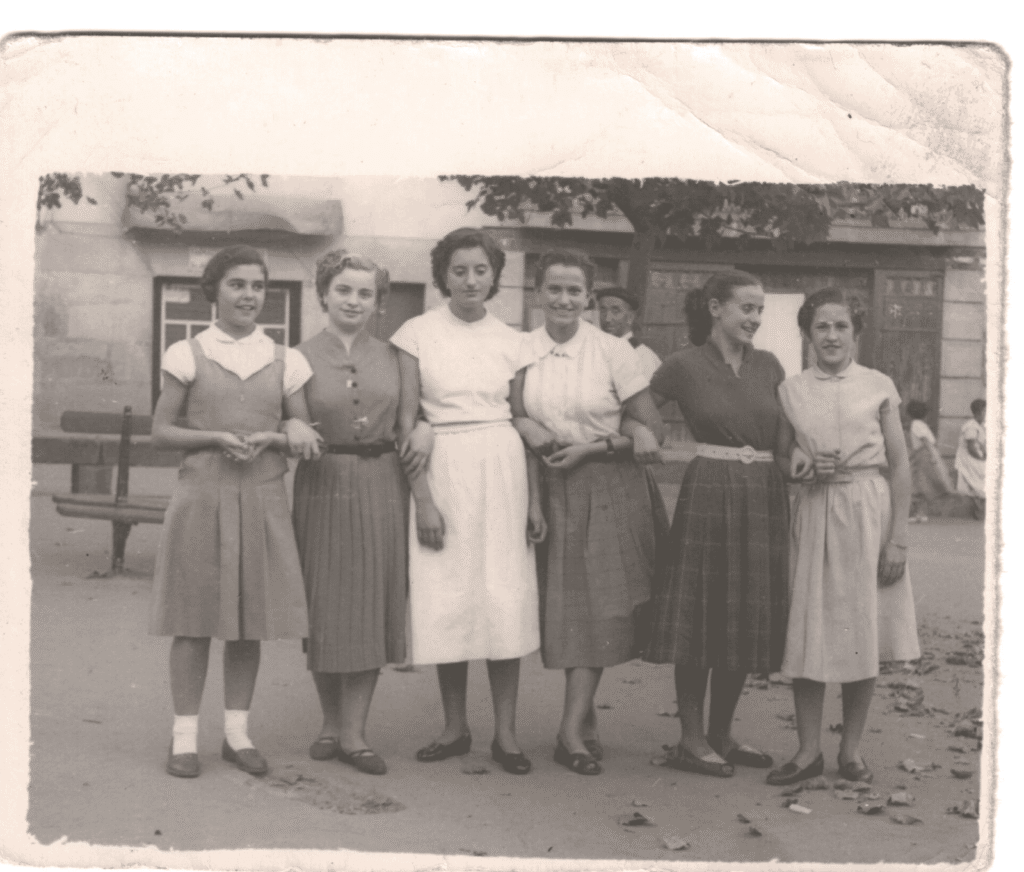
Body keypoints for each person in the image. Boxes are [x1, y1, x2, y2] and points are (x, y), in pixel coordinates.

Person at [150, 245, 321, 778]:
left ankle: (236, 734)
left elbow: (304, 433)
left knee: (248, 625)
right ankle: (183, 738)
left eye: (257, 286)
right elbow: (160, 432)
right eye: (237, 284)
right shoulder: (188, 354)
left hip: (263, 501)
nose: (249, 295)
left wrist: (282, 433)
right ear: (215, 291)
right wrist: (213, 437)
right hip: (201, 499)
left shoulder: (286, 359)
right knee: (193, 621)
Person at [390, 227, 544, 775]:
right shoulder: (415, 334)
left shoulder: (515, 340)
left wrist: (534, 502)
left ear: (495, 276)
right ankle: (455, 727)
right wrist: (423, 500)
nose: (470, 281)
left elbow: (523, 421)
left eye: (481, 270)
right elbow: (407, 426)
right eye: (459, 271)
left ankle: (506, 734)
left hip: (502, 471)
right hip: (444, 468)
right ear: (443, 276)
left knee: (503, 601)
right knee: (448, 600)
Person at [511, 251, 665, 776]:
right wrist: (524, 426)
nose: (564, 300)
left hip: (605, 486)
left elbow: (650, 429)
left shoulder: (612, 352)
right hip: (542, 486)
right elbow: (507, 411)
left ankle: (570, 729)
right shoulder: (519, 351)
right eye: (554, 289)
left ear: (589, 299)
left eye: (575, 292)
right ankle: (584, 714)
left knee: (598, 609)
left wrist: (600, 447)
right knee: (560, 610)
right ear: (537, 293)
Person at [767, 288, 920, 786]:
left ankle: (850, 750)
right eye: (821, 327)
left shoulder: (878, 385)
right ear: (808, 334)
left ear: (856, 332)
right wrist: (801, 468)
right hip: (815, 511)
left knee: (864, 629)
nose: (831, 336)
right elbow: (784, 460)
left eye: (841, 327)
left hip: (868, 512)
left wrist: (897, 538)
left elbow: (899, 465)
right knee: (809, 629)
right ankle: (807, 749)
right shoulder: (791, 389)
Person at [289, 251, 433, 776]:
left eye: (364, 294)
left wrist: (425, 427)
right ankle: (330, 724)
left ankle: (356, 731)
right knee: (324, 604)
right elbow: (292, 422)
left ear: (378, 303)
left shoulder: (397, 355)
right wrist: (290, 428)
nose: (353, 301)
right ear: (324, 293)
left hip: (381, 484)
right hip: (322, 485)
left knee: (371, 603)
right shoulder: (297, 358)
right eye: (343, 290)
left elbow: (413, 420)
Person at [643, 270, 789, 778]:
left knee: (742, 615)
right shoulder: (682, 365)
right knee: (702, 613)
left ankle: (721, 734)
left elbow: (788, 433)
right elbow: (638, 408)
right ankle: (689, 738)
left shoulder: (770, 365)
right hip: (709, 490)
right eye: (745, 308)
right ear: (714, 307)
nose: (754, 318)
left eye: (759, 310)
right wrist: (645, 435)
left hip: (763, 495)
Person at [596, 286, 662, 380]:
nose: (607, 319)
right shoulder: (596, 351)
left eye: (615, 311)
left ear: (630, 317)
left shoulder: (643, 357)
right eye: (603, 310)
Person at [906, 399, 953, 523]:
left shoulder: (915, 424)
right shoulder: (922, 424)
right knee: (923, 485)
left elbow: (925, 441)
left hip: (923, 455)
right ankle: (920, 513)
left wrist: (931, 455)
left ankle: (918, 513)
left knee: (918, 484)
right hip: (928, 453)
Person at [955, 399, 986, 520]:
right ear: (977, 412)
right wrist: (982, 458)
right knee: (978, 483)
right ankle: (979, 511)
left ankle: (980, 511)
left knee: (978, 485)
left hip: (976, 457)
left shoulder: (980, 426)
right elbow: (972, 446)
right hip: (969, 458)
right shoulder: (971, 426)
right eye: (984, 411)